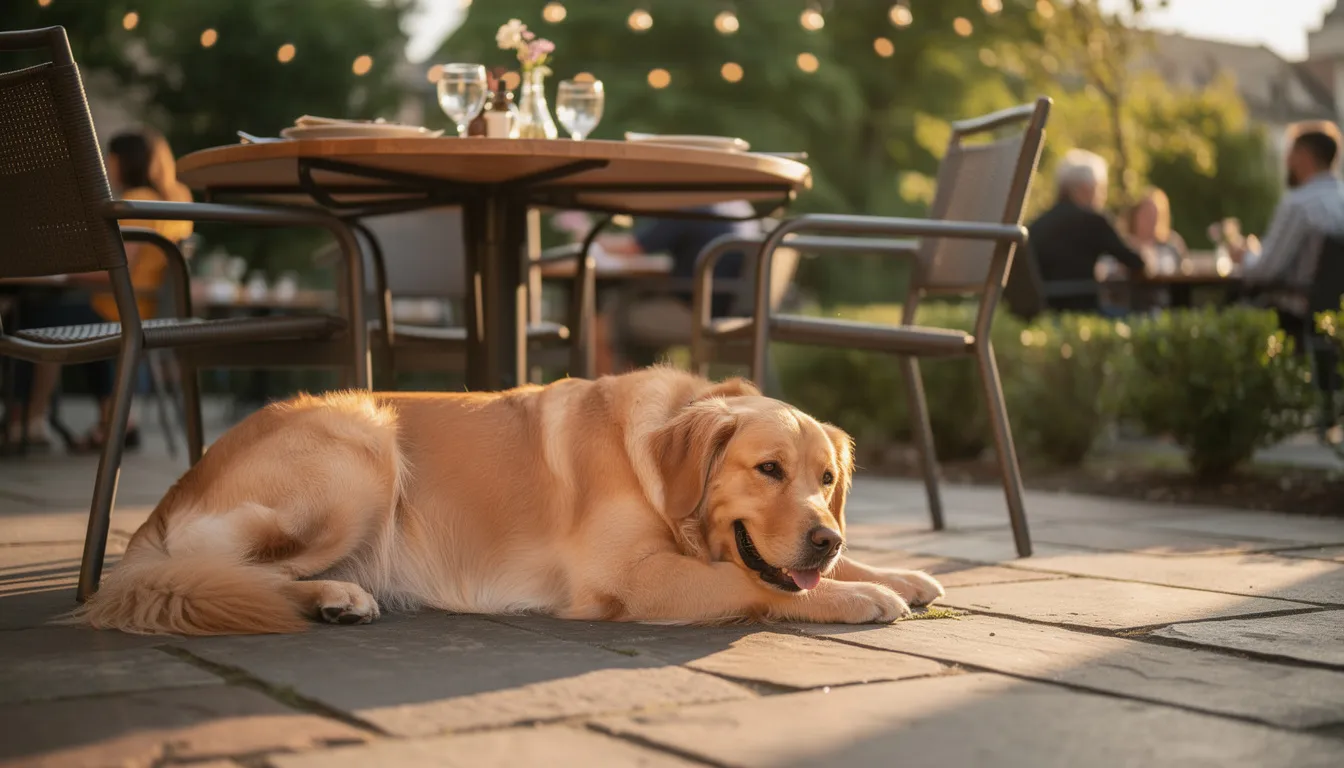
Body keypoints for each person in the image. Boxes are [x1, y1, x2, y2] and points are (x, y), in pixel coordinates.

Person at [7, 128, 193, 451]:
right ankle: (114, 420)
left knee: (37, 318)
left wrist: (64, 273)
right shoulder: (178, 200)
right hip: (144, 308)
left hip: (117, 308)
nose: (107, 167)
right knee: (59, 316)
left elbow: (117, 269)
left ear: (125, 161)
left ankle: (27, 421)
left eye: (110, 159)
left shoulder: (135, 202)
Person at [593, 202, 759, 373]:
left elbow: (633, 247)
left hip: (696, 313)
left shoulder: (690, 210)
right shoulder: (743, 209)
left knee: (602, 324)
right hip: (738, 316)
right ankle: (647, 388)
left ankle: (613, 396)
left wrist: (590, 238)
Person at [1232, 124, 1344, 343]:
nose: (1286, 161)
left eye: (1290, 153)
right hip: (1337, 319)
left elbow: (1266, 270)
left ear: (1304, 157)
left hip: (1295, 315)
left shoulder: (1298, 204)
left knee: (1228, 308)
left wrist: (1244, 256)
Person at [1024, 149, 1147, 314]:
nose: (1102, 196)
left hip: (1044, 311)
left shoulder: (1036, 224)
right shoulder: (1095, 221)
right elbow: (1137, 261)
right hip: (1086, 309)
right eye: (1101, 189)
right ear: (1085, 189)